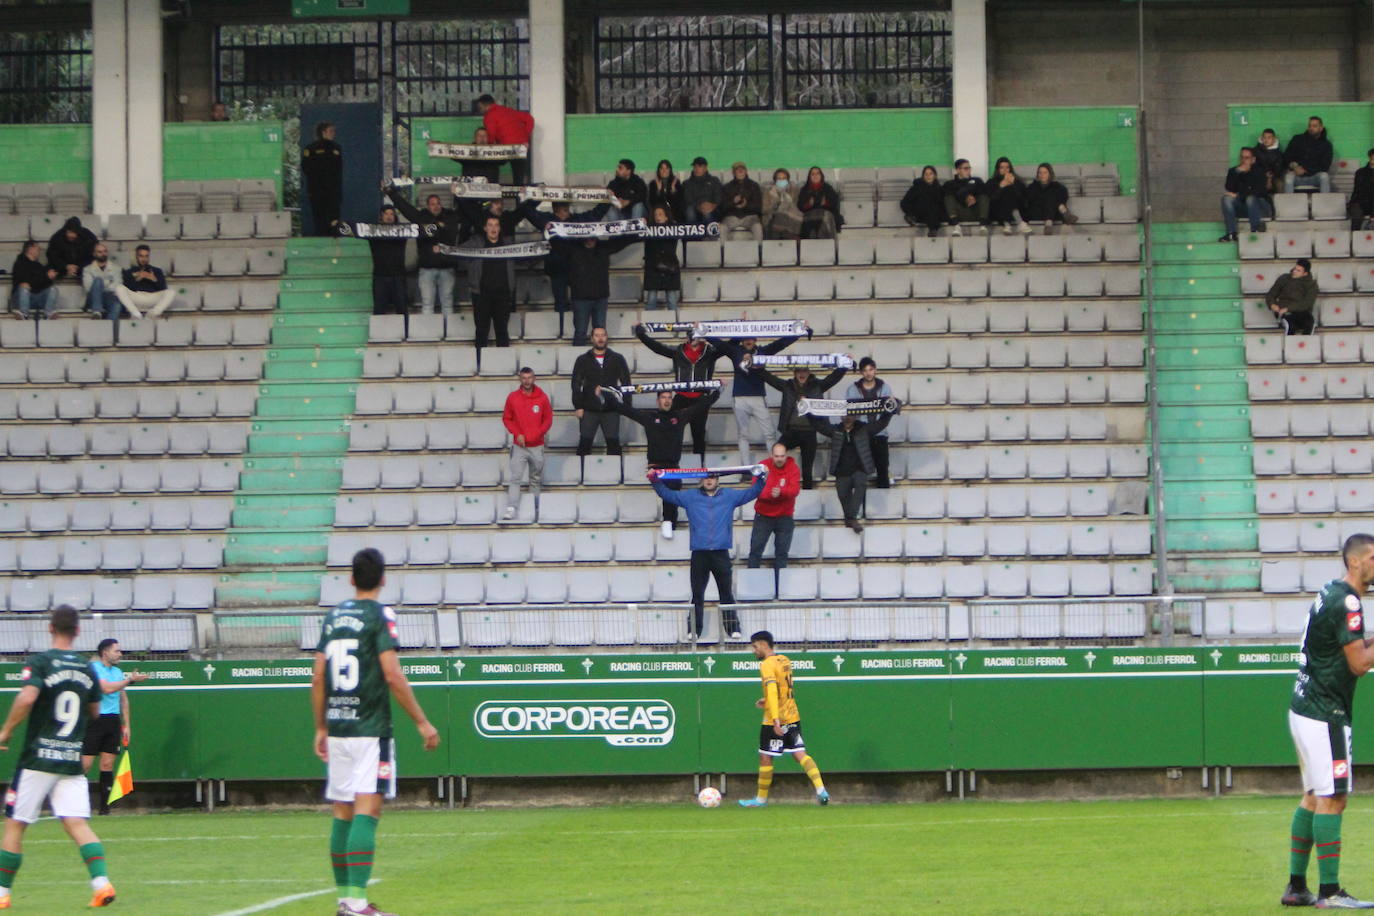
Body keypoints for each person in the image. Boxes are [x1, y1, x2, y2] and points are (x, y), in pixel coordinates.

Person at [312, 549, 440, 916]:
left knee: (342, 811)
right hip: (370, 728)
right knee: (367, 809)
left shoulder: (333, 616)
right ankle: (355, 903)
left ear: (351, 579)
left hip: (337, 726)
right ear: (383, 579)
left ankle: (345, 900)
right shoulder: (381, 615)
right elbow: (392, 674)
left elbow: (318, 676)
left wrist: (321, 725)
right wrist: (421, 720)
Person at [0, 606, 118, 908]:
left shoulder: (41, 662)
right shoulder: (85, 667)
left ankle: (1, 893)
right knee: (77, 823)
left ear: (50, 628)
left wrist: (6, 732)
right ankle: (101, 883)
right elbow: (94, 711)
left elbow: (27, 697)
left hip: (38, 759)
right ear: (77, 631)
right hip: (70, 758)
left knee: (15, 824)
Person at [1280, 533, 1374, 909]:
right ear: (1355, 562)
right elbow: (1359, 664)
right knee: (1333, 797)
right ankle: (1330, 892)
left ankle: (1296, 887)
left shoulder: (1330, 592)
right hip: (1325, 713)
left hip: (1304, 706)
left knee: (1313, 797)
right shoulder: (1349, 601)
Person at [649, 467, 765, 639]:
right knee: (697, 594)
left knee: (726, 592)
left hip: (721, 552)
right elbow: (668, 495)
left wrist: (762, 479)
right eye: (706, 477)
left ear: (718, 479)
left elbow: (752, 493)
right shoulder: (690, 497)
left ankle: (733, 627)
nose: (709, 480)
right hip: (699, 553)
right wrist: (655, 481)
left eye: (712, 477)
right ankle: (694, 629)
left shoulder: (729, 496)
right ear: (701, 479)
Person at [608, 387, 720, 539]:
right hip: (655, 468)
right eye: (663, 397)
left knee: (673, 492)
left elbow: (702, 405)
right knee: (669, 492)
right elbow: (625, 410)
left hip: (673, 468)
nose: (667, 400)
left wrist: (718, 390)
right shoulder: (650, 417)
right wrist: (607, 394)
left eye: (669, 398)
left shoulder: (680, 416)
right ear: (658, 401)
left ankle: (669, 524)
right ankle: (668, 522)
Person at [738, 630, 829, 807]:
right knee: (799, 754)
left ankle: (760, 800)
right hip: (792, 715)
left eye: (755, 646)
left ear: (764, 644)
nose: (754, 651)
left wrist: (775, 719)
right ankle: (821, 790)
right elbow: (783, 688)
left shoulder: (766, 664)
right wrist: (767, 700)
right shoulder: (785, 660)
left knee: (765, 756)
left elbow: (773, 689)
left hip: (774, 719)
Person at [705, 327, 808, 466]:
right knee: (743, 435)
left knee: (770, 433)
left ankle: (774, 466)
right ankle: (746, 467)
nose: (748, 341)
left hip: (758, 397)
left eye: (751, 338)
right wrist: (702, 332)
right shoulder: (735, 351)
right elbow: (719, 344)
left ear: (755, 339)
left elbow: (781, 343)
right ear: (742, 339)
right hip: (740, 398)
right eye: (746, 338)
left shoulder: (763, 352)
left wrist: (799, 332)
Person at [634, 324, 726, 466]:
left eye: (698, 335)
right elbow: (657, 347)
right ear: (687, 337)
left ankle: (699, 468)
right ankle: (667, 463)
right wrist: (641, 334)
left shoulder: (710, 352)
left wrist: (741, 328)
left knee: (699, 435)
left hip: (700, 398)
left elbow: (729, 347)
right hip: (681, 398)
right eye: (693, 334)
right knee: (670, 431)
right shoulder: (678, 351)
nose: (695, 338)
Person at [518, 198, 611, 336]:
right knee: (560, 303)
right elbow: (528, 211)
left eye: (565, 209)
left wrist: (607, 199)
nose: (563, 213)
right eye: (559, 210)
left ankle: (573, 329)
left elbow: (596, 214)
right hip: (557, 269)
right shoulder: (547, 220)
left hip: (579, 271)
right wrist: (537, 196)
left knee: (579, 304)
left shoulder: (577, 220)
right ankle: (562, 330)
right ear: (554, 210)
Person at [754, 361, 849, 490]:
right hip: (791, 431)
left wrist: (844, 365)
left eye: (804, 371)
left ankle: (807, 493)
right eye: (799, 371)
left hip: (810, 431)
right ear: (795, 373)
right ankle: (772, 485)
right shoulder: (788, 385)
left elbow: (832, 378)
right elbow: (771, 379)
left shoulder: (817, 385)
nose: (801, 374)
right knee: (776, 454)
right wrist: (757, 368)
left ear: (809, 373)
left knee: (807, 468)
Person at [79, 639, 147, 816]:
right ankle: (76, 806)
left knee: (107, 764)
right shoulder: (94, 668)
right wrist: (129, 680)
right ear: (105, 652)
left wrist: (126, 725)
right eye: (116, 651)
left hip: (112, 721)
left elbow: (123, 699)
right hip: (95, 719)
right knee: (85, 765)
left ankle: (104, 809)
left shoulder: (117, 672)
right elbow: (106, 689)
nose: (120, 654)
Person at [815, 405, 896, 532]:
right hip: (842, 471)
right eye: (845, 415)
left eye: (851, 415)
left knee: (860, 485)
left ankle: (852, 518)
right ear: (841, 416)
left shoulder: (864, 429)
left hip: (860, 468)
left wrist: (890, 410)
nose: (848, 418)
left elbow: (881, 423)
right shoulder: (836, 430)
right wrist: (808, 411)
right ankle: (851, 520)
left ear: (856, 416)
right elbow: (818, 426)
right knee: (842, 495)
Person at [385, 184, 459, 315]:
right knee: (427, 304)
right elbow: (405, 208)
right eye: (432, 204)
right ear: (427, 206)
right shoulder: (421, 218)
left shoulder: (450, 217)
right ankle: (429, 334)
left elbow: (460, 217)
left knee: (447, 303)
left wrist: (459, 192)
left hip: (447, 267)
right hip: (427, 268)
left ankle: (448, 334)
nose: (436, 206)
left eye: (438, 203)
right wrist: (391, 193)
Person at [457, 214, 518, 352]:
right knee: (481, 331)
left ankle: (503, 364)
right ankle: (479, 364)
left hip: (503, 295)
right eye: (490, 225)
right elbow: (459, 252)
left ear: (500, 228)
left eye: (496, 225)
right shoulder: (476, 242)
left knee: (502, 331)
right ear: (485, 228)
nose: (493, 228)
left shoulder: (509, 243)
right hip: (481, 294)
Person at [571, 327, 631, 457]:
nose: (600, 338)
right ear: (592, 338)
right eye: (597, 335)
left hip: (611, 408)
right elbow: (576, 384)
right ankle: (582, 475)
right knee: (584, 445)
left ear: (607, 337)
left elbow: (626, 382)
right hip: (589, 409)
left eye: (603, 335)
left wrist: (627, 405)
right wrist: (578, 406)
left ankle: (615, 475)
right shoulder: (582, 359)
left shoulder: (617, 358)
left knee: (614, 445)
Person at [502, 367, 553, 519]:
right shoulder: (513, 397)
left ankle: (535, 507)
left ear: (534, 378)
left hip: (537, 446)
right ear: (520, 379)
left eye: (529, 377)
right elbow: (507, 418)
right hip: (520, 447)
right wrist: (517, 434)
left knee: (535, 479)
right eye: (524, 378)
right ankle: (511, 508)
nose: (527, 381)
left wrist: (538, 434)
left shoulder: (542, 398)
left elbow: (548, 419)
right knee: (516, 478)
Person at [339, 206, 409, 316]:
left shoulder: (403, 231)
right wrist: (337, 224)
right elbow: (355, 228)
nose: (389, 216)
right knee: (379, 309)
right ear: (381, 216)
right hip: (380, 276)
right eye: (386, 214)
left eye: (391, 214)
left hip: (399, 276)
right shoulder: (373, 231)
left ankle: (405, 332)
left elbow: (420, 228)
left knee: (402, 308)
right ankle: (380, 333)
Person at [567, 235, 634, 347]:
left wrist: (637, 230)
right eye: (588, 238)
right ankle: (578, 361)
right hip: (581, 298)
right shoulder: (573, 249)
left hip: (600, 297)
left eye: (593, 238)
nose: (591, 241)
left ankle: (601, 360)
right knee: (580, 332)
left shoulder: (603, 248)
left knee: (600, 332)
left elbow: (621, 243)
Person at [748, 443, 800, 572]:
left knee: (782, 554)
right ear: (771, 455)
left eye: (782, 456)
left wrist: (781, 492)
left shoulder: (793, 468)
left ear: (786, 455)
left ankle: (779, 588)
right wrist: (773, 494)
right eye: (777, 456)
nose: (779, 459)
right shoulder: (762, 466)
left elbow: (795, 490)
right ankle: (753, 587)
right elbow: (756, 490)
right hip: (763, 516)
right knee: (755, 551)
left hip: (785, 516)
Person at [846, 357, 894, 488]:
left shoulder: (885, 388)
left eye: (871, 369)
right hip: (861, 434)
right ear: (861, 372)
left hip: (880, 434)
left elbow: (888, 412)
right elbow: (850, 413)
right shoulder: (853, 389)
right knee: (858, 471)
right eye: (865, 370)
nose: (868, 373)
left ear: (875, 370)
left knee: (882, 468)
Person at [476, 93, 534, 186]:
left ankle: (492, 190)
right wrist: (525, 138)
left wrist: (490, 147)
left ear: (484, 105)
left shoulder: (489, 116)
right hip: (521, 148)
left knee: (491, 164)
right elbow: (530, 119)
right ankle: (519, 199)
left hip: (505, 148)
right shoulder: (508, 110)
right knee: (518, 180)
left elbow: (491, 134)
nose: (480, 109)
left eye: (480, 107)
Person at [1219, 147, 1271, 242]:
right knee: (1226, 199)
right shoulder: (1234, 171)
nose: (1244, 160)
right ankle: (1231, 233)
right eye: (1242, 157)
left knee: (1250, 198)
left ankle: (1255, 229)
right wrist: (1237, 173)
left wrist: (1239, 195)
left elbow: (1258, 191)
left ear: (1253, 159)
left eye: (1247, 158)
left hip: (1259, 206)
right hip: (1243, 206)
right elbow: (1230, 188)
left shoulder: (1259, 172)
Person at [302, 122, 343, 236]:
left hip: (333, 191)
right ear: (323, 132)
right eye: (331, 131)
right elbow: (306, 167)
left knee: (334, 218)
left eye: (334, 131)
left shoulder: (336, 148)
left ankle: (335, 238)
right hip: (317, 191)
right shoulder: (311, 148)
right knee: (320, 218)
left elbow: (338, 170)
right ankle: (321, 238)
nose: (333, 134)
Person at [115, 244, 176, 320]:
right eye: (141, 256)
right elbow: (128, 289)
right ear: (136, 256)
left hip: (152, 298)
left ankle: (153, 313)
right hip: (137, 297)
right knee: (119, 288)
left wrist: (153, 279)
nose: (144, 259)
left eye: (146, 256)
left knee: (171, 292)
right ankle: (136, 314)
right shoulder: (129, 272)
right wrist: (138, 279)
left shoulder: (157, 271)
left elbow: (163, 288)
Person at [642, 205, 681, 312]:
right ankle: (649, 325)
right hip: (652, 267)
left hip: (670, 266)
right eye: (655, 215)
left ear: (666, 217)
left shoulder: (674, 229)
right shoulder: (648, 230)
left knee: (672, 300)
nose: (657, 217)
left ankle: (675, 326)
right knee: (651, 299)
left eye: (660, 214)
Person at [1265, 258, 1318, 336]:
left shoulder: (1311, 285)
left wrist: (1288, 308)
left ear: (1305, 273)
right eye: (1295, 269)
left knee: (1309, 323)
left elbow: (1307, 303)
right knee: (1291, 326)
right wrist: (1272, 304)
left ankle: (1306, 346)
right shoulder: (1284, 278)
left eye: (1298, 271)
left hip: (1302, 312)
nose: (1294, 271)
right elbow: (1271, 294)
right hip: (1284, 311)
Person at [10, 240, 58, 319]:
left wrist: (48, 277)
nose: (39, 250)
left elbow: (42, 283)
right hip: (20, 299)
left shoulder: (38, 266)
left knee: (52, 289)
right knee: (24, 288)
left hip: (36, 298)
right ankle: (24, 314)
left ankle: (48, 314)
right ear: (30, 248)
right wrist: (45, 277)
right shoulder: (20, 263)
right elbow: (26, 281)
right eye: (37, 248)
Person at [1284, 116, 1333, 194]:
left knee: (1324, 176)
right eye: (1309, 125)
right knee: (1288, 178)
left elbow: (1325, 166)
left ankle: (1324, 204)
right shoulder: (1297, 139)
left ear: (1321, 128)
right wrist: (1294, 166)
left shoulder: (1326, 145)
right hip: (1297, 175)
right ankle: (1289, 205)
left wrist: (1306, 170)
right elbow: (1286, 157)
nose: (1311, 128)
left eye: (1314, 126)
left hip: (1314, 177)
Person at [943, 158, 990, 236]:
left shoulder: (977, 180)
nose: (968, 170)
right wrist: (966, 196)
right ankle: (956, 226)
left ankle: (983, 225)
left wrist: (972, 197)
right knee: (949, 198)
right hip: (960, 212)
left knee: (983, 197)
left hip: (975, 210)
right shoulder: (950, 183)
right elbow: (951, 192)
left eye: (969, 168)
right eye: (965, 168)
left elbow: (983, 191)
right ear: (958, 170)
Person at [1022, 163, 1077, 227]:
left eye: (1045, 172)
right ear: (1037, 174)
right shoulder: (1032, 187)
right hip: (1037, 214)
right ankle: (1064, 214)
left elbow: (1064, 197)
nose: (1042, 175)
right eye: (1040, 173)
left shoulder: (1057, 186)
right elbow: (1030, 201)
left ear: (1050, 174)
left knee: (1053, 196)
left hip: (1054, 215)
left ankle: (1049, 221)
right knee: (1050, 198)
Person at [720, 162, 763, 240]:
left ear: (746, 171)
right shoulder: (727, 187)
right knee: (722, 227)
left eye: (742, 169)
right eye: (738, 170)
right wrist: (733, 202)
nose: (740, 172)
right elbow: (723, 208)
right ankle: (722, 251)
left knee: (758, 227)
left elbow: (758, 207)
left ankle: (760, 251)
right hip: (732, 217)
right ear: (733, 172)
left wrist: (745, 205)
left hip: (750, 217)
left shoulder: (754, 186)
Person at [900, 165, 946, 237]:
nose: (928, 176)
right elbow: (904, 202)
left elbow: (942, 205)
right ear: (923, 176)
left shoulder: (939, 189)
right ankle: (932, 229)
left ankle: (933, 229)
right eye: (926, 174)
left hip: (935, 215)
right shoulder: (917, 187)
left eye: (931, 174)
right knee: (925, 199)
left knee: (934, 206)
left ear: (935, 175)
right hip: (919, 214)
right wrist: (910, 212)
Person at [987, 157, 1030, 234]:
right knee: (1005, 192)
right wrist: (1001, 187)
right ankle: (1017, 223)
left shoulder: (1018, 182)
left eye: (1007, 167)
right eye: (1002, 167)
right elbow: (991, 200)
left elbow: (1022, 200)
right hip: (997, 211)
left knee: (1009, 191)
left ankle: (1007, 224)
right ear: (998, 169)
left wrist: (1014, 185)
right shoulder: (991, 182)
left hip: (1018, 209)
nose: (1005, 170)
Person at [796, 166, 841, 239]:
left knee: (825, 217)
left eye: (817, 173)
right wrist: (808, 205)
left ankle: (824, 240)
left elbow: (835, 204)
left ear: (821, 175)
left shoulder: (828, 188)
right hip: (809, 215)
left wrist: (826, 203)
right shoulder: (804, 189)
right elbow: (800, 206)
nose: (815, 176)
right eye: (813, 174)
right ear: (809, 177)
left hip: (826, 214)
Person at [82, 243, 122, 319]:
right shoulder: (87, 269)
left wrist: (100, 287)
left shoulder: (117, 268)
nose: (103, 254)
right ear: (94, 254)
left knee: (117, 305)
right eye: (100, 252)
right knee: (98, 281)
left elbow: (117, 286)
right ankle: (97, 311)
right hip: (92, 299)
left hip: (109, 297)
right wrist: (107, 283)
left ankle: (108, 329)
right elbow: (88, 287)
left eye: (105, 251)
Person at [761, 168, 803, 240]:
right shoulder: (768, 191)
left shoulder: (794, 190)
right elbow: (764, 209)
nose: (781, 180)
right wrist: (775, 202)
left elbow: (796, 207)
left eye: (784, 178)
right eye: (779, 178)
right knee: (779, 216)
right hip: (772, 217)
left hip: (790, 217)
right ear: (775, 180)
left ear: (787, 180)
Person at [681, 156, 723, 225]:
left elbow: (718, 196)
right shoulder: (687, 183)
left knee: (707, 213)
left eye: (699, 166)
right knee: (690, 210)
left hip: (712, 208)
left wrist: (713, 205)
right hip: (695, 208)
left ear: (705, 168)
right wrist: (699, 206)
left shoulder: (714, 180)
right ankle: (692, 234)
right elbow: (688, 199)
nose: (697, 169)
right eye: (695, 166)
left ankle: (710, 233)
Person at [1347, 148, 1374, 231]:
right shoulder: (1360, 172)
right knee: (1357, 215)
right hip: (1360, 201)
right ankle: (1353, 239)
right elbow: (1360, 191)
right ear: (1370, 158)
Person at [1254, 128, 1286, 196]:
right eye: (1264, 137)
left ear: (1274, 139)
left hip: (1273, 177)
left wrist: (1270, 178)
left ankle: (1278, 205)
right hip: (1259, 176)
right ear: (1262, 139)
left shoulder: (1279, 154)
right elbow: (1254, 166)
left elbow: (1279, 168)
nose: (1266, 140)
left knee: (1280, 184)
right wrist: (1264, 175)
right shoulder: (1255, 151)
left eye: (1269, 138)